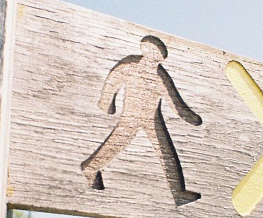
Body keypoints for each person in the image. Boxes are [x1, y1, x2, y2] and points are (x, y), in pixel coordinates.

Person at [80, 35, 203, 205]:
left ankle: (178, 193)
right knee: (116, 144)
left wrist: (192, 118)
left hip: (152, 119)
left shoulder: (159, 75)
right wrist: (106, 104)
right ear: (147, 51)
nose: (157, 58)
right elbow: (112, 83)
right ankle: (91, 169)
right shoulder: (130, 66)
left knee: (165, 152)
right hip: (131, 116)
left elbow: (174, 102)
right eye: (156, 54)